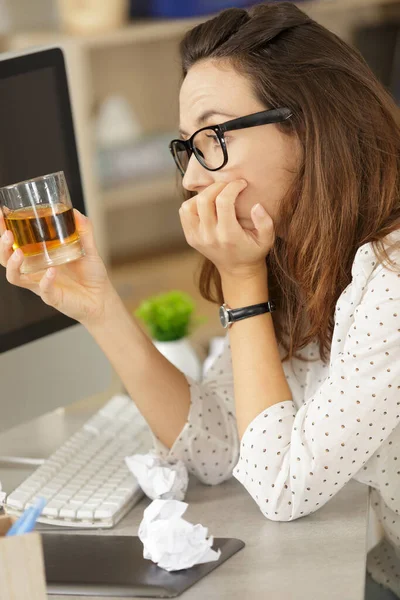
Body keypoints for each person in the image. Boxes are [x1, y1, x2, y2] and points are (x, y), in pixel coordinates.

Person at [1, 1, 399, 597]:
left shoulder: (390, 275)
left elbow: (281, 487)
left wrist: (243, 287)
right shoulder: (302, 254)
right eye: (188, 146)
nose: (190, 177)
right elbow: (214, 446)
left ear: (309, 127)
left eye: (213, 137)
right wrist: (100, 305)